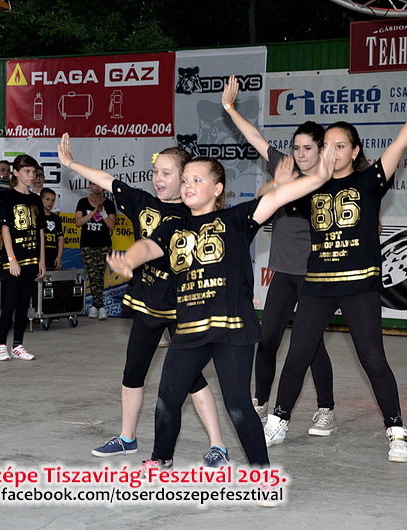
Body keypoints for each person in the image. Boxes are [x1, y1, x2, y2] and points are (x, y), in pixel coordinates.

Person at [106, 145, 334, 478]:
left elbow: (279, 197)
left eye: (197, 180)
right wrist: (129, 259)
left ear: (217, 189)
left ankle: (262, 475)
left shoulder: (236, 219)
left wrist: (321, 176)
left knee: (238, 406)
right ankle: (161, 459)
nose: (188, 186)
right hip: (190, 329)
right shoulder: (173, 226)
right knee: (168, 397)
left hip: (232, 329)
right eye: (185, 180)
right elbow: (147, 246)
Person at [263, 64, 407, 463]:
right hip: (318, 284)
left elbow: (401, 142)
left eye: (341, 145)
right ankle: (278, 420)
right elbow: (271, 201)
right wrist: (279, 184)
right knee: (297, 353)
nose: (333, 151)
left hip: (360, 284)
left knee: (372, 358)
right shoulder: (310, 187)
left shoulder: (370, 180)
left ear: (355, 151)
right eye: (328, 145)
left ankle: (397, 430)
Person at [58, 135, 228, 467]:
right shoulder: (143, 203)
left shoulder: (194, 215)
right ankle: (127, 438)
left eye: (166, 173)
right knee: (133, 372)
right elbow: (107, 180)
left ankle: (217, 446)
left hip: (182, 309)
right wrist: (71, 164)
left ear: (184, 178)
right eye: (155, 172)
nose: (157, 179)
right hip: (147, 304)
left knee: (193, 379)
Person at [222, 76, 336, 436]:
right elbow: (256, 139)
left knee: (311, 346)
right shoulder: (284, 169)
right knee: (267, 340)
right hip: (283, 272)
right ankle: (260, 402)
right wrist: (229, 108)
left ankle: (326, 409)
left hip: (314, 275)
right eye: (296, 147)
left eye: (307, 148)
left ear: (321, 150)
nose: (300, 154)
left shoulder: (327, 181)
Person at [0, 154, 46, 361]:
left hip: (32, 258)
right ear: (16, 173)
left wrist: (41, 260)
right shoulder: (8, 197)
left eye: (34, 172)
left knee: (24, 303)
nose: (31, 175)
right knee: (11, 302)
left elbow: (40, 230)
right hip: (14, 258)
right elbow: (5, 229)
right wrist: (11, 259)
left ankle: (18, 344)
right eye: (27, 171)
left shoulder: (35, 199)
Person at [75, 179, 116, 320]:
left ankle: (95, 306)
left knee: (99, 275)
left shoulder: (109, 204)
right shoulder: (83, 202)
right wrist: (92, 213)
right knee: (93, 275)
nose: (97, 187)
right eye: (94, 184)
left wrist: (103, 213)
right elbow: (78, 222)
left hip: (104, 244)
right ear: (90, 185)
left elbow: (111, 226)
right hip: (88, 244)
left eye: (99, 184)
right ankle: (100, 306)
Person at [41, 188, 64, 270]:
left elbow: (60, 238)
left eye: (53, 200)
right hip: (40, 256)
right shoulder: (37, 217)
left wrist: (59, 256)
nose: (50, 202)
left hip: (53, 255)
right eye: (47, 199)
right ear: (41, 199)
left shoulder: (56, 218)